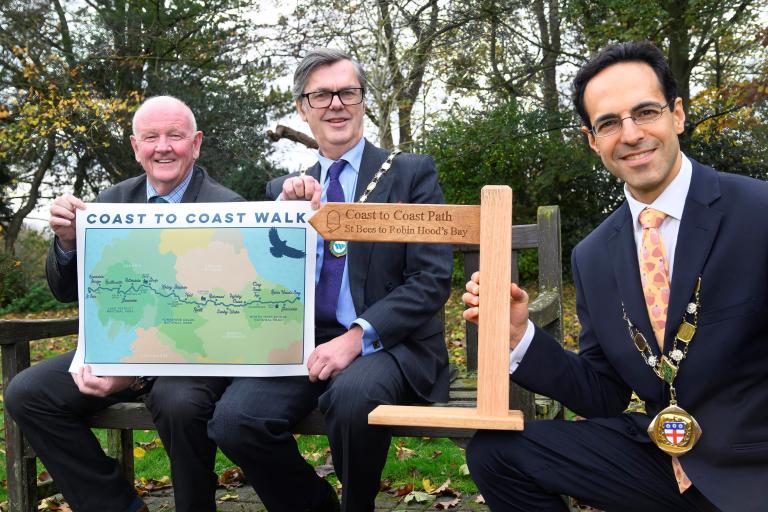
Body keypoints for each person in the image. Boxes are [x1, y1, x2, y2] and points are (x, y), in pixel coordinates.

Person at [461, 41, 767, 512]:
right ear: (593, 139)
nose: (630, 134)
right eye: (608, 123)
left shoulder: (757, 211)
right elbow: (604, 394)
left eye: (645, 112)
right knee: (497, 453)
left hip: (754, 465)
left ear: (677, 115)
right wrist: (519, 336)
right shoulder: (593, 255)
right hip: (662, 455)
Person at [155, 47, 451, 512]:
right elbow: (259, 282)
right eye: (321, 95)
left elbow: (431, 279)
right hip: (302, 345)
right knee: (233, 420)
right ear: (302, 108)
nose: (336, 103)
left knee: (353, 398)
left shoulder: (410, 173)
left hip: (390, 344)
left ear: (363, 100)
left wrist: (356, 338)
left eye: (347, 92)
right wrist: (286, 216)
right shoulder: (283, 191)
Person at [4, 95, 244, 512]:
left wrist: (135, 370)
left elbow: (220, 315)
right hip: (118, 348)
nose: (162, 146)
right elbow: (65, 291)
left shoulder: (230, 208)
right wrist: (66, 241)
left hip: (193, 357)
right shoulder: (110, 202)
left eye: (175, 136)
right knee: (27, 392)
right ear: (135, 147)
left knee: (179, 402)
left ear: (197, 143)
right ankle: (118, 505)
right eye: (150, 137)